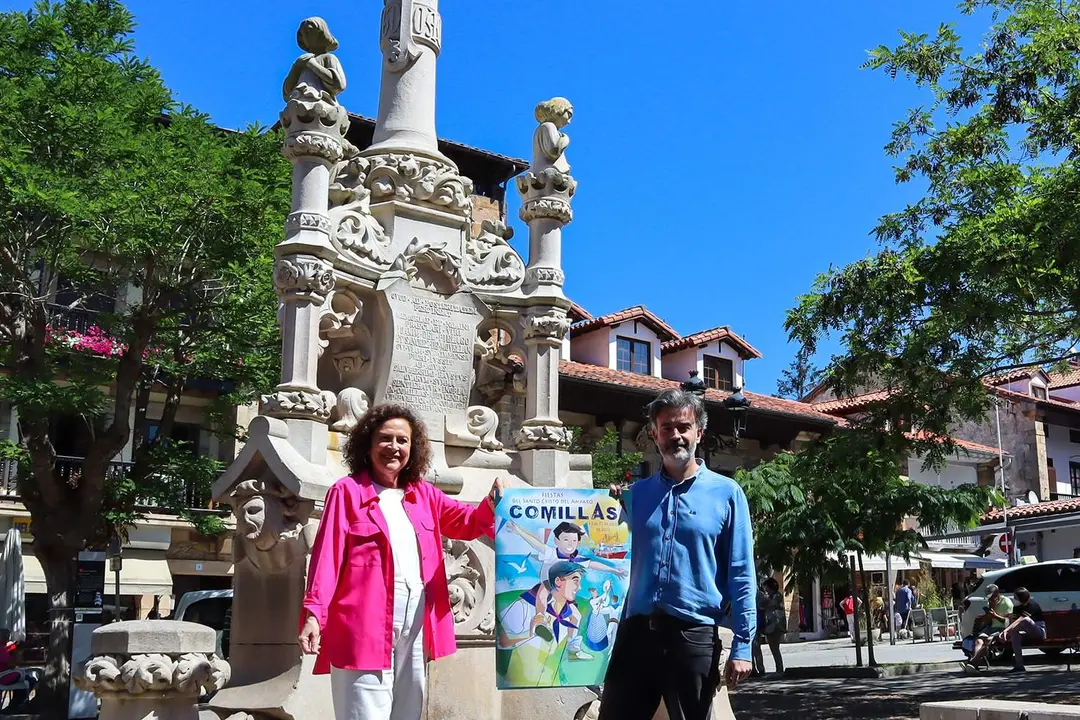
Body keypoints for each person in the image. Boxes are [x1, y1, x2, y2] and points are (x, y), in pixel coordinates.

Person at [298, 403, 503, 720]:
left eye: (402, 441)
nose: (393, 447)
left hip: (417, 627)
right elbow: (327, 558)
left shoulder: (424, 494)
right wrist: (314, 614)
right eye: (385, 438)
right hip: (362, 627)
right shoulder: (346, 492)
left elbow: (469, 522)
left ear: (413, 448)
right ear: (368, 443)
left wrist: (492, 502)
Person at [599, 389, 756, 720]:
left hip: (692, 638)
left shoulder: (728, 494)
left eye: (683, 427)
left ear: (699, 432)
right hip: (635, 637)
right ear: (654, 435)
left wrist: (743, 645)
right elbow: (599, 549)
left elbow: (741, 573)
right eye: (666, 428)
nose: (676, 436)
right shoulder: (634, 496)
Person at [504, 519, 627, 641]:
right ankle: (540, 619)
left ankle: (572, 644)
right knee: (544, 590)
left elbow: (594, 564)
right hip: (549, 586)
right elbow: (536, 544)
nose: (570, 544)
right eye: (566, 539)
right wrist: (519, 531)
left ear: (578, 542)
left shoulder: (577, 559)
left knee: (577, 616)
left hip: (564, 593)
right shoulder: (551, 553)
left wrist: (614, 571)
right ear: (556, 541)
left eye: (574, 540)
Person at [960, 583, 1014, 673]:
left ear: (997, 594)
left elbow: (1008, 622)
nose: (990, 599)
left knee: (988, 640)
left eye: (992, 597)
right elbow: (989, 621)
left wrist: (995, 615)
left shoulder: (1007, 603)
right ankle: (973, 664)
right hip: (991, 628)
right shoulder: (990, 603)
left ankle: (972, 663)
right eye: (989, 598)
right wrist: (988, 615)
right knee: (979, 640)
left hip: (1003, 629)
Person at [999, 587, 1046, 673]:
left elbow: (1021, 619)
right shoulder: (1016, 607)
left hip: (1039, 632)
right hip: (1026, 633)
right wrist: (1008, 633)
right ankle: (1019, 665)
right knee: (1015, 634)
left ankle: (1009, 633)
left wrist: (1006, 631)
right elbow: (1014, 623)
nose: (1014, 599)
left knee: (1026, 620)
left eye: (1015, 597)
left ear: (1022, 598)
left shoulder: (1032, 605)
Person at [751, 577, 785, 676]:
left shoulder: (776, 596)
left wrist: (762, 603)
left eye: (767, 588)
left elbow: (768, 605)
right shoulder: (772, 596)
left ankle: (780, 670)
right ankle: (779, 669)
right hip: (771, 626)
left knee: (775, 648)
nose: (766, 590)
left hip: (775, 626)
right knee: (774, 648)